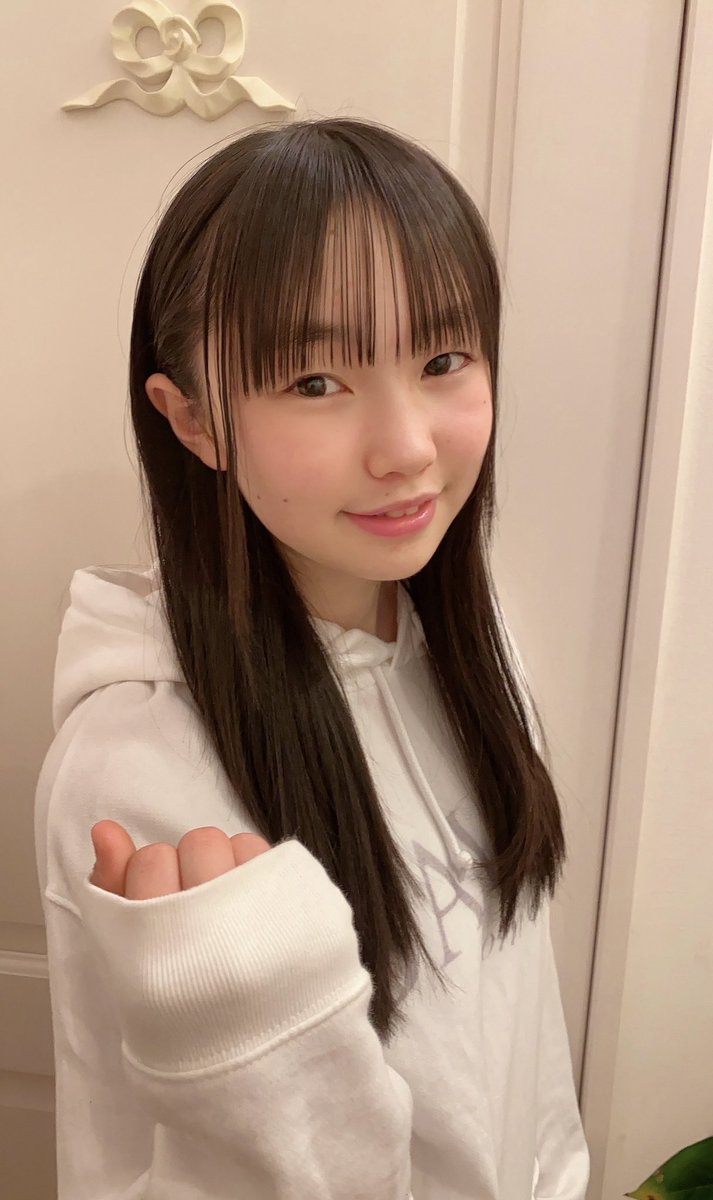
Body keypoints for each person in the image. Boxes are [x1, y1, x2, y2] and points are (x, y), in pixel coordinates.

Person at [34, 117, 590, 1199]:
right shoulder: (138, 768)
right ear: (192, 420)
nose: (406, 448)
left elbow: (520, 1043)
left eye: (442, 360)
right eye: (315, 383)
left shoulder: (468, 647)